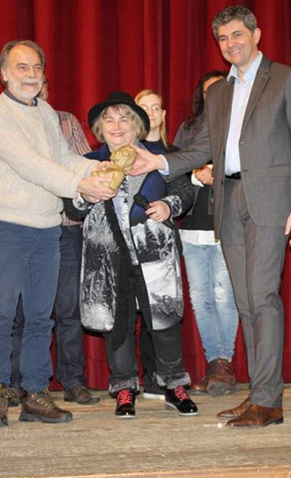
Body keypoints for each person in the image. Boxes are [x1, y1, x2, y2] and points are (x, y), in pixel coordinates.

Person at [131, 5, 291, 428]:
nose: (231, 44)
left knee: (263, 298)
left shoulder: (285, 78)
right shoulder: (218, 93)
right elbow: (203, 149)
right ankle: (259, 393)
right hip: (228, 202)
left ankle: (269, 402)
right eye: (223, 38)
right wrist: (158, 163)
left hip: (272, 202)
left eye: (237, 34)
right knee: (246, 302)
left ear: (256, 34)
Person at [0, 39, 114, 428]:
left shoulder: (47, 111)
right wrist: (81, 185)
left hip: (47, 226)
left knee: (40, 316)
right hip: (6, 226)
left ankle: (35, 393)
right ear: (4, 73)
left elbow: (64, 158)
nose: (31, 75)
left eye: (37, 68)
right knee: (3, 314)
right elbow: (30, 164)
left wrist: (98, 169)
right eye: (22, 67)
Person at [64, 91, 197, 420]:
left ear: (137, 125)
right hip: (108, 258)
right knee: (117, 323)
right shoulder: (88, 163)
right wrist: (87, 194)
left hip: (154, 254)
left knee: (164, 320)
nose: (116, 126)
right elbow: (72, 208)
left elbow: (185, 191)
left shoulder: (158, 157)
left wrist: (169, 205)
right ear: (100, 129)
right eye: (108, 120)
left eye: (124, 119)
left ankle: (174, 386)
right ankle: (124, 388)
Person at [8, 80, 99, 407]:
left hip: (66, 229)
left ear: (47, 88)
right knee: (22, 313)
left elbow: (83, 164)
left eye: (42, 83)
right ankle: (17, 382)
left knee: (68, 311)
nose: (36, 88)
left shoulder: (66, 121)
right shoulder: (8, 123)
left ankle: (72, 381)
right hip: (26, 228)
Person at [171, 71, 240, 397]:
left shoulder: (240, 125)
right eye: (208, 92)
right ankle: (217, 366)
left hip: (227, 224)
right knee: (200, 300)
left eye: (220, 90)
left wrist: (218, 173)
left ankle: (221, 365)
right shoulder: (188, 129)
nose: (214, 97)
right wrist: (195, 173)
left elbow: (251, 171)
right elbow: (174, 169)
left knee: (225, 296)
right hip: (192, 224)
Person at [132, 88, 170, 400]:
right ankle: (129, 378)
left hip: (161, 245)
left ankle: (157, 375)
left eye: (156, 107)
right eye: (143, 108)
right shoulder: (126, 151)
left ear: (163, 114)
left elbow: (184, 192)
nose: (151, 113)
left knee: (157, 311)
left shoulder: (175, 154)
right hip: (128, 241)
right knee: (131, 313)